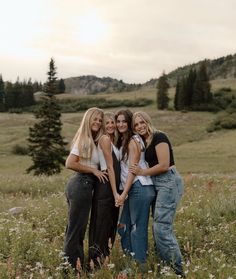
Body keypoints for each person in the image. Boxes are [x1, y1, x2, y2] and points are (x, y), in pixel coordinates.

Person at [130, 111, 185, 278]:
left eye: (142, 122)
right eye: (136, 124)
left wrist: (142, 171)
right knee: (157, 227)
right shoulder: (143, 141)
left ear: (148, 122)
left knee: (161, 228)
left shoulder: (159, 136)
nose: (140, 126)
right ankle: (165, 266)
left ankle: (178, 271)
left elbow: (163, 164)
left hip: (168, 181)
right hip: (157, 184)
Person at [63, 107, 107, 276]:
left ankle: (75, 266)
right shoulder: (85, 139)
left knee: (76, 228)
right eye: (94, 119)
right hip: (81, 184)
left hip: (83, 184)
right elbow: (70, 163)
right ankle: (72, 269)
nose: (97, 122)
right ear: (87, 120)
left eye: (99, 120)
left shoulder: (93, 139)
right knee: (76, 229)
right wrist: (93, 171)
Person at [115, 109, 156, 274]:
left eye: (124, 121)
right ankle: (131, 261)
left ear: (129, 123)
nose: (120, 124)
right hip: (135, 188)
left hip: (139, 187)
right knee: (123, 227)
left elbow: (133, 170)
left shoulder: (133, 140)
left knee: (137, 229)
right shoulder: (127, 140)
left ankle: (139, 268)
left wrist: (123, 194)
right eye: (118, 121)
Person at [88, 112, 121, 268]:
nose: (110, 125)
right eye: (106, 123)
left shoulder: (113, 141)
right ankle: (96, 263)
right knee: (101, 224)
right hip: (106, 187)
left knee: (109, 224)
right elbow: (109, 167)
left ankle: (104, 260)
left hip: (111, 186)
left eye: (112, 122)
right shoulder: (105, 139)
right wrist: (115, 192)